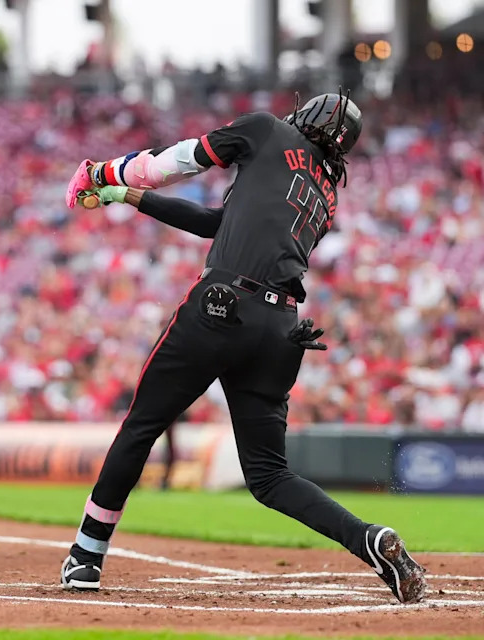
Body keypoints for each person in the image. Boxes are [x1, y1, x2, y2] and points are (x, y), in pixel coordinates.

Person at [59, 92, 428, 604]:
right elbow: (216, 224)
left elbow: (173, 163)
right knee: (270, 475)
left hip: (222, 303)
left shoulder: (265, 129)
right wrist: (124, 199)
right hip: (282, 328)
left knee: (142, 425)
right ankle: (370, 541)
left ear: (309, 115)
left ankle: (85, 558)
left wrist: (105, 174)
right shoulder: (326, 191)